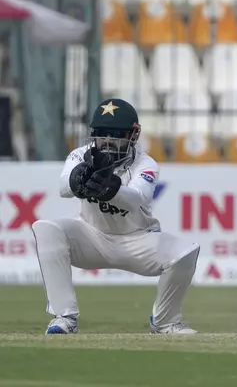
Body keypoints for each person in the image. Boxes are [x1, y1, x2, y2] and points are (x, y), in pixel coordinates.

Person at [32, 98, 200, 335]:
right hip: (91, 237)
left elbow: (138, 198)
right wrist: (77, 179)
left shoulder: (146, 164)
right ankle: (64, 317)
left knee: (185, 252)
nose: (108, 140)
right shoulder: (80, 155)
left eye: (116, 134)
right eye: (102, 134)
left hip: (137, 241)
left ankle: (165, 321)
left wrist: (110, 188)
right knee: (46, 228)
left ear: (133, 135)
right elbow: (63, 188)